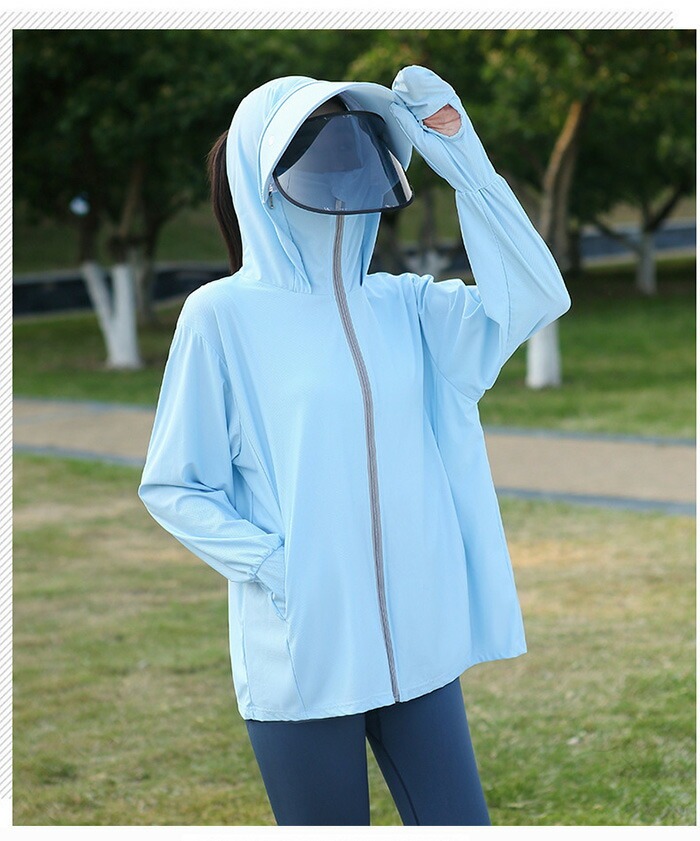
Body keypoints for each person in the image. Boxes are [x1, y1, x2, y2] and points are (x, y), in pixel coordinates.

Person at [137, 65, 572, 825]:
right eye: (319, 146)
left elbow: (536, 296)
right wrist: (282, 569)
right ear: (264, 174)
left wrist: (460, 155)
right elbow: (175, 485)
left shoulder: (407, 305)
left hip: (420, 648)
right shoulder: (220, 317)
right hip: (303, 655)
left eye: (355, 144)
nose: (342, 167)